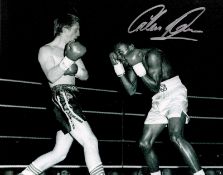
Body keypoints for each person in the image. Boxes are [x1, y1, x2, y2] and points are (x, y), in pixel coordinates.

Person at [18, 13, 105, 175]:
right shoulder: (46, 50)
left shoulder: (72, 49)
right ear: (64, 29)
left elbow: (85, 75)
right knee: (90, 141)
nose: (78, 33)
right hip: (62, 97)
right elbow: (51, 76)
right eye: (76, 29)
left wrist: (75, 67)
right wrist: (67, 61)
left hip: (73, 97)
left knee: (59, 154)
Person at [109, 42, 205, 175]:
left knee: (175, 136)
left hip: (174, 93)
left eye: (121, 52)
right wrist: (118, 69)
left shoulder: (152, 55)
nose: (120, 57)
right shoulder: (131, 62)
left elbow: (155, 86)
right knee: (144, 143)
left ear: (131, 47)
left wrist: (138, 66)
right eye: (118, 55)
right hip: (158, 99)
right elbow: (131, 90)